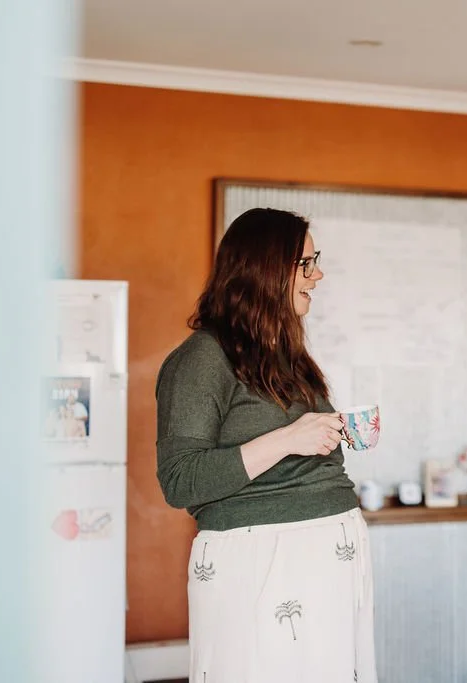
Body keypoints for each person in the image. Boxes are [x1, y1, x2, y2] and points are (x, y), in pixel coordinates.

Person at [155, 207, 376, 683]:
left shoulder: (287, 355)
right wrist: (287, 439)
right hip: (261, 560)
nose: (318, 274)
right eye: (306, 263)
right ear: (264, 268)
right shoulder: (201, 360)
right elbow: (179, 481)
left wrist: (325, 434)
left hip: (328, 552)